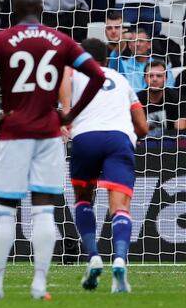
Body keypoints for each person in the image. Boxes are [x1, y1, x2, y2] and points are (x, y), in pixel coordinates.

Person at [0, 0, 106, 300]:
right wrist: (70, 115)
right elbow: (96, 75)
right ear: (41, 9)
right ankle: (40, 287)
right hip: (49, 133)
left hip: (15, 132)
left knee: (4, 211)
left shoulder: (1, 39)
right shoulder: (61, 40)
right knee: (43, 211)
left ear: (14, 10)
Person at [59, 38, 148, 293]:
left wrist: (66, 117)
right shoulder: (121, 79)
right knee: (120, 207)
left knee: (83, 199)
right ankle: (119, 260)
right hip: (119, 139)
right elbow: (142, 127)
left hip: (86, 137)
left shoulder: (72, 74)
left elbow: (62, 87)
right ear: (106, 60)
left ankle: (93, 257)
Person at [117, 26, 176, 92]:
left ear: (149, 45)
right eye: (134, 41)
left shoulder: (162, 67)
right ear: (129, 45)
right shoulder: (122, 66)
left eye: (141, 41)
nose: (138, 44)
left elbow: (169, 90)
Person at [136, 60, 186, 135]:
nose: (154, 79)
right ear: (144, 79)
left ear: (165, 78)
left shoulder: (177, 98)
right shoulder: (136, 100)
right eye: (150, 76)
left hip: (170, 141)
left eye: (159, 76)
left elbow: (180, 130)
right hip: (144, 141)